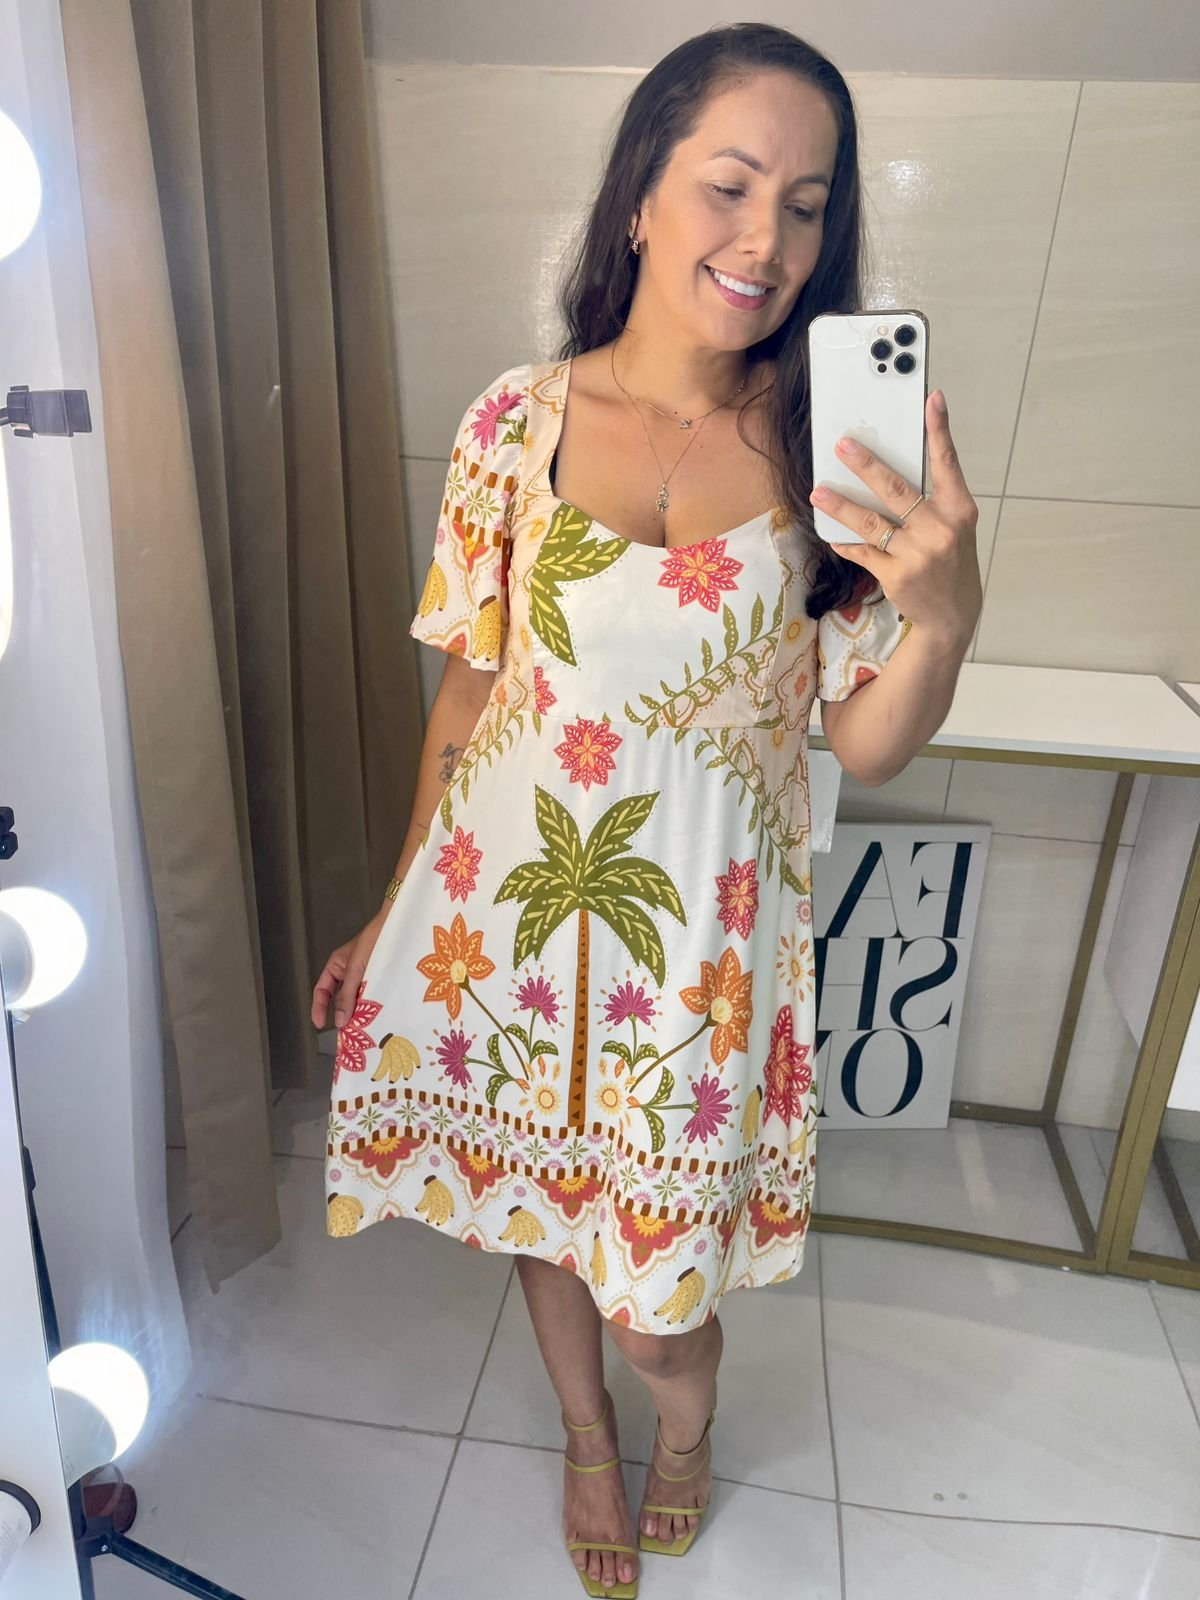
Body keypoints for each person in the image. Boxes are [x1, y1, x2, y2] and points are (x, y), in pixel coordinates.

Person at [311, 22, 981, 1598]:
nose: (769, 239)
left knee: (659, 1304)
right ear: (640, 196)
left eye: (806, 205)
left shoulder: (834, 453)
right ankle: (585, 1436)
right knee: (545, 1219)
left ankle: (679, 1421)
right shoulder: (512, 423)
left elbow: (868, 741)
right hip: (514, 924)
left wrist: (943, 619)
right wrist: (393, 908)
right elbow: (470, 699)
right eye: (729, 186)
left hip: (699, 961)